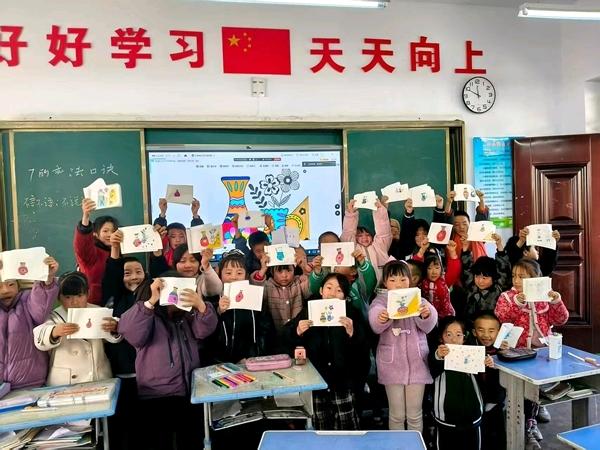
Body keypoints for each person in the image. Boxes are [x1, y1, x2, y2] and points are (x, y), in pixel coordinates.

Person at [119, 276, 218, 450]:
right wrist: (151, 301)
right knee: (161, 441)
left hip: (189, 391)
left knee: (190, 440)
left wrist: (201, 305)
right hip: (156, 395)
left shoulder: (186, 318)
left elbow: (204, 330)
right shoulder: (147, 317)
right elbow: (130, 331)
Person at [495, 258, 569, 449]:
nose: (516, 280)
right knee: (522, 392)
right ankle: (526, 427)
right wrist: (517, 304)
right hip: (518, 353)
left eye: (522, 277)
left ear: (536, 278)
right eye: (514, 276)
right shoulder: (507, 297)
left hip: (541, 353)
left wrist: (556, 301)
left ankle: (532, 420)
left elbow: (561, 319)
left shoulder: (544, 296)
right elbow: (502, 317)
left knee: (537, 390)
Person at [283, 273, 369, 430]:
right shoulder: (308, 311)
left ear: (345, 297)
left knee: (348, 428)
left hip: (344, 382)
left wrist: (353, 333)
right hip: (317, 380)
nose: (333, 293)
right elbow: (286, 338)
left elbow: (363, 348)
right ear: (321, 290)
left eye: (339, 290)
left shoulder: (352, 314)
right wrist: (298, 331)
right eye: (329, 288)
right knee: (320, 428)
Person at [368, 260, 438, 432]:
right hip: (392, 365)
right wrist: (382, 317)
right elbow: (375, 323)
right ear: (385, 282)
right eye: (392, 280)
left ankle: (415, 443)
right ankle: (397, 444)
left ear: (410, 280)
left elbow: (430, 324)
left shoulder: (419, 299)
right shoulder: (380, 301)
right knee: (396, 415)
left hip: (417, 363)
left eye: (403, 279)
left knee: (415, 414)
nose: (398, 284)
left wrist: (426, 314)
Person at [101, 230, 147, 450]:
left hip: (148, 375)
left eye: (139, 272)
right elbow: (112, 274)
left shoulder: (150, 298)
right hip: (122, 371)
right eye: (127, 273)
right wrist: (115, 249)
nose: (134, 277)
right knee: (125, 426)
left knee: (147, 426)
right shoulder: (116, 297)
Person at [430, 316, 489, 450]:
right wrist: (438, 355)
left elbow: (484, 380)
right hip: (446, 420)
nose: (454, 339)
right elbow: (432, 365)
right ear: (441, 338)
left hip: (473, 418)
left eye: (458, 335)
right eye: (448, 335)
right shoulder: (438, 356)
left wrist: (487, 364)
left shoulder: (472, 354)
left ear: (464, 337)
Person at [0, 256, 59, 389]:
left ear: (18, 285)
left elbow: (41, 305)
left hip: (30, 383)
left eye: (11, 284)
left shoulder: (27, 301)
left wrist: (47, 277)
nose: (6, 290)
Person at [206, 251, 275, 363]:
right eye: (228, 273)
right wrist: (218, 311)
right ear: (220, 275)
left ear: (246, 276)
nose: (233, 277)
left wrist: (254, 356)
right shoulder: (213, 299)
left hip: (250, 361)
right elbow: (207, 334)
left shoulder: (254, 297)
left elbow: (265, 329)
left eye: (239, 273)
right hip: (220, 363)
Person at [470, 312, 507, 450]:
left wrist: (504, 354)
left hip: (495, 402)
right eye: (481, 330)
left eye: (491, 331)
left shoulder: (502, 349)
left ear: (499, 332)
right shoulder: (468, 349)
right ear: (474, 332)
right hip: (474, 403)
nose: (486, 335)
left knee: (497, 436)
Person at [74, 198, 118, 304]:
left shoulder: (118, 252)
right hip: (93, 304)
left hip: (115, 305)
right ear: (95, 233)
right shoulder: (91, 253)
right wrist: (86, 217)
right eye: (105, 231)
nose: (110, 234)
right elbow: (81, 245)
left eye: (113, 231)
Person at [459, 233, 511, 323]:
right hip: (471, 326)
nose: (480, 281)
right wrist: (465, 247)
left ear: (494, 277)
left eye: (484, 278)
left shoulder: (498, 287)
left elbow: (503, 266)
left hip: (493, 325)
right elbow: (467, 266)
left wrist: (499, 244)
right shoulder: (472, 286)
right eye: (477, 276)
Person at [258, 252, 311, 336]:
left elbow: (310, 287)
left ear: (294, 270)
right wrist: (263, 270)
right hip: (274, 336)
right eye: (279, 271)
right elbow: (256, 293)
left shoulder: (298, 282)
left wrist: (304, 269)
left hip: (298, 333)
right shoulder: (268, 286)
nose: (284, 275)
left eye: (289, 270)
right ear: (272, 272)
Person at [341, 197, 392, 281]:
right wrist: (351, 214)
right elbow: (348, 232)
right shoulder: (352, 248)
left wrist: (380, 211)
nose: (364, 238)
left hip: (382, 286)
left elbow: (383, 232)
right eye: (360, 235)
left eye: (368, 235)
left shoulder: (380, 246)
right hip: (360, 287)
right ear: (355, 237)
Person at [153, 197, 204, 266]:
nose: (178, 240)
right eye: (173, 236)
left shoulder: (193, 253)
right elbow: (159, 231)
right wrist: (162, 212)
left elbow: (197, 234)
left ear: (187, 238)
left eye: (181, 236)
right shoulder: (163, 252)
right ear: (167, 238)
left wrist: (195, 214)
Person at [416, 241, 460, 320]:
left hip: (445, 318)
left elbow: (454, 269)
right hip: (427, 317)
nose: (434, 272)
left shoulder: (444, 280)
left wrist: (452, 252)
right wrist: (422, 250)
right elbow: (415, 266)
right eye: (429, 268)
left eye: (437, 268)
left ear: (441, 268)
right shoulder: (421, 281)